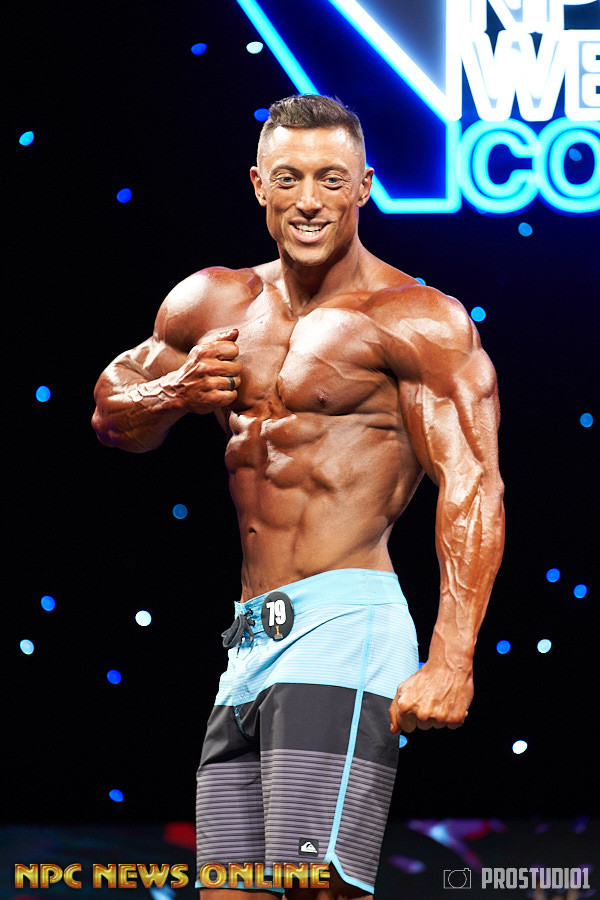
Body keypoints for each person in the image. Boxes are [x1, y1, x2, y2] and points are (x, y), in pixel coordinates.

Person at [92, 94, 505, 900]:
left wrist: (452, 658)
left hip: (344, 626)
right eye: (289, 178)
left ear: (365, 187)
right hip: (249, 641)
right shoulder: (211, 301)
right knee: (232, 891)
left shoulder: (416, 319)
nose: (309, 199)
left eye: (330, 179)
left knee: (313, 887)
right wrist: (173, 392)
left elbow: (472, 483)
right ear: (259, 185)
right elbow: (112, 417)